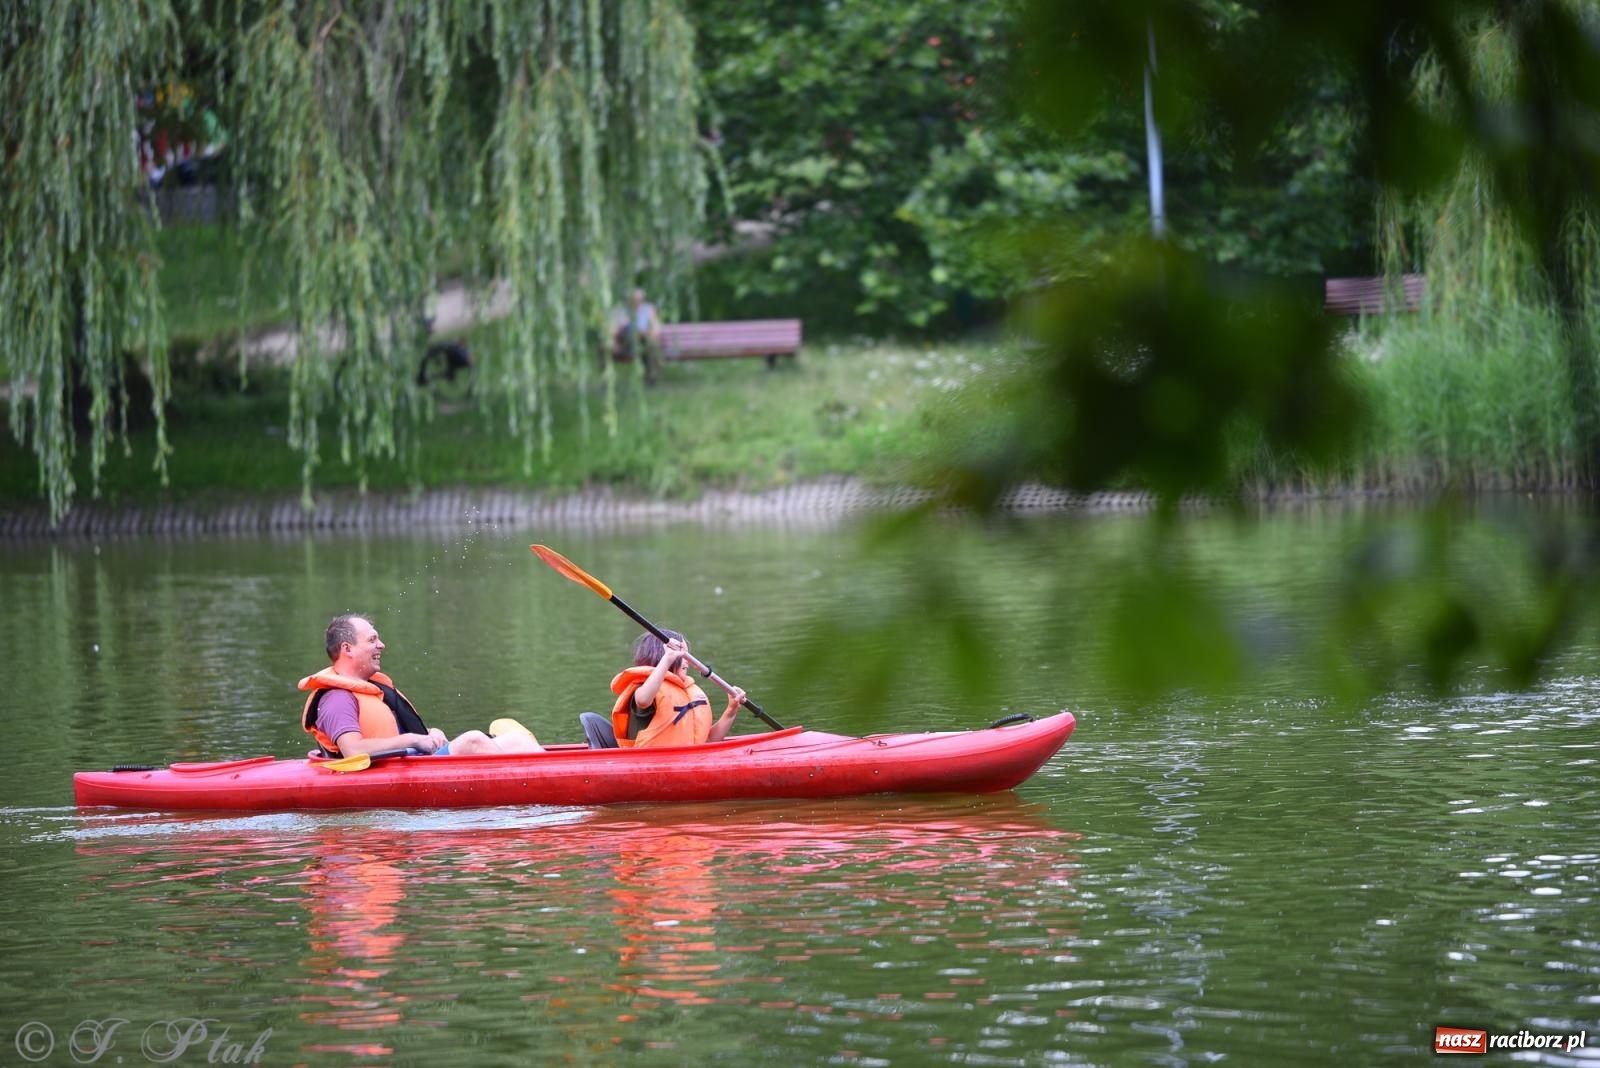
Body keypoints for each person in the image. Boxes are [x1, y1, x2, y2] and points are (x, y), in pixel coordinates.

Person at [300, 613, 542, 757]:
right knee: (473, 740)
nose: (382, 645)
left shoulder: (371, 689)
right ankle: (538, 786)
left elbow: (395, 735)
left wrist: (429, 735)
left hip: (414, 764)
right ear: (347, 649)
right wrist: (414, 740)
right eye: (372, 640)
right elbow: (353, 751)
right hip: (392, 776)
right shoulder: (337, 699)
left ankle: (558, 778)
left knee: (516, 739)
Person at [579, 629, 745, 749]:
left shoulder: (688, 692)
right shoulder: (645, 690)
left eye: (688, 655)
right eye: (683, 655)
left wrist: (731, 710)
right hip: (646, 766)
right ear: (662, 656)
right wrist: (667, 660)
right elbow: (643, 700)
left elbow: (708, 741)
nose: (688, 661)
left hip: (685, 763)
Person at [613, 287, 664, 382]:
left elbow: (656, 327)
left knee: (652, 344)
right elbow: (613, 329)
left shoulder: (648, 309)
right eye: (634, 299)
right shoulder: (620, 310)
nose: (637, 302)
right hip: (625, 342)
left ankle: (651, 376)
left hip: (644, 341)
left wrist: (651, 334)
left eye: (639, 299)